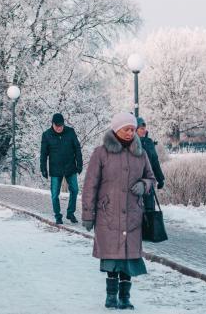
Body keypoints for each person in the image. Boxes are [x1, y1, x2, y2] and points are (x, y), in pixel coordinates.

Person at [81, 112, 156, 310]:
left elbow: (151, 178)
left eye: (133, 129)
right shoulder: (101, 153)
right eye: (127, 129)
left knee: (129, 258)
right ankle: (111, 296)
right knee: (112, 257)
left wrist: (144, 184)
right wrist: (88, 214)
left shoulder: (141, 153)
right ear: (116, 129)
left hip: (133, 215)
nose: (131, 133)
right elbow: (90, 185)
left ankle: (125, 298)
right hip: (108, 215)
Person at [39, 113, 83, 225]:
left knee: (75, 190)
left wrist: (79, 163)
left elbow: (77, 148)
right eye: (57, 125)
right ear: (52, 124)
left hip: (70, 167)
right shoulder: (46, 135)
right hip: (55, 169)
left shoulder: (70, 132)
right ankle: (58, 216)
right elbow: (43, 154)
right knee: (55, 194)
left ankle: (70, 213)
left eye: (61, 125)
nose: (59, 128)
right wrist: (43, 168)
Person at [136, 117, 166, 210]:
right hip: (134, 182)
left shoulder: (149, 143)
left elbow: (155, 162)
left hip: (148, 181)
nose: (144, 131)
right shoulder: (129, 143)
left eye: (144, 128)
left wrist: (160, 179)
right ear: (135, 129)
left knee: (150, 208)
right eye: (141, 128)